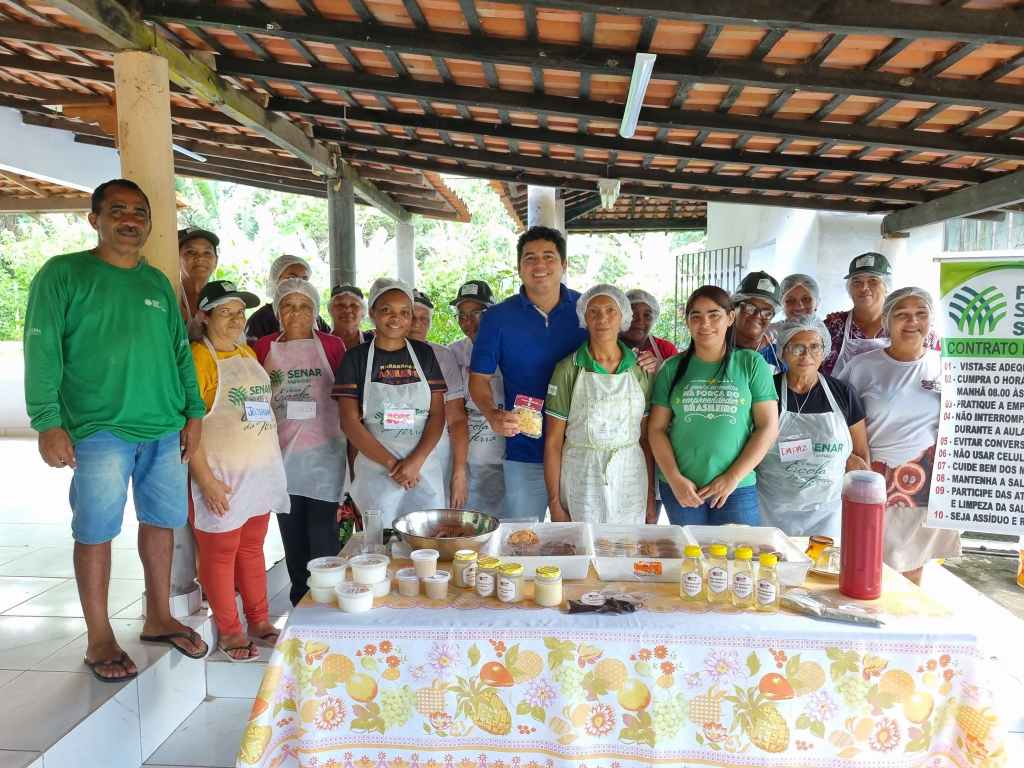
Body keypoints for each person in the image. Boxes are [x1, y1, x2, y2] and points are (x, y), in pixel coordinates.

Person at [23, 178, 209, 681]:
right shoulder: (62, 275)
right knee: (96, 530)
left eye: (140, 213)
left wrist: (194, 414)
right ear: (95, 219)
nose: (131, 220)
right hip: (98, 428)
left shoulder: (156, 283)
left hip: (164, 427)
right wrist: (47, 422)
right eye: (119, 210)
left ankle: (158, 615)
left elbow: (178, 353)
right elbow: (42, 351)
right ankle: (99, 635)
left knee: (161, 522)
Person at [188, 280, 289, 661]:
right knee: (220, 554)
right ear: (205, 316)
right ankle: (231, 631)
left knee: (251, 550)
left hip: (258, 476)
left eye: (239, 313)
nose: (234, 320)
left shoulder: (246, 352)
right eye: (225, 312)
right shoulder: (200, 357)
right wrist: (206, 481)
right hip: (221, 477)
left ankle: (260, 622)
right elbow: (190, 425)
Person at [838, 287, 960, 584]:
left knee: (912, 569)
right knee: (867, 563)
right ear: (887, 320)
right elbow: (835, 419)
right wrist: (847, 458)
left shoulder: (947, 366)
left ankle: (906, 628)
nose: (912, 322)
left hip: (925, 484)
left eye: (921, 314)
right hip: (872, 480)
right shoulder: (862, 367)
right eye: (902, 314)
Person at [469, 226, 588, 521]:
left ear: (564, 264)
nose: (539, 265)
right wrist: (492, 413)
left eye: (549, 257)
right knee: (522, 539)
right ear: (519, 267)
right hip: (525, 448)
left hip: (580, 449)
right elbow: (478, 379)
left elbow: (613, 357)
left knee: (580, 539)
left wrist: (644, 360)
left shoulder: (588, 310)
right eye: (530, 258)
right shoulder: (497, 318)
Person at [648, 286, 779, 526]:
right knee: (689, 560)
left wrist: (732, 477)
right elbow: (656, 429)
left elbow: (768, 426)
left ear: (730, 318)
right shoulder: (672, 368)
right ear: (687, 322)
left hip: (736, 489)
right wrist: (675, 479)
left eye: (714, 314)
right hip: (683, 490)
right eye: (695, 316)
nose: (704, 323)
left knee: (740, 560)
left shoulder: (750, 363)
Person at [254, 278, 346, 606]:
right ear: (278, 311)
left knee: (323, 537)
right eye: (288, 306)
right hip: (280, 455)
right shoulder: (264, 346)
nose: (296, 313)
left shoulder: (332, 345)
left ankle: (327, 606)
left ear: (315, 311)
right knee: (292, 539)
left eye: (304, 306)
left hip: (325, 454)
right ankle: (299, 606)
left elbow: (347, 398)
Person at [337, 278, 448, 527]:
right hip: (377, 469)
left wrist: (415, 461)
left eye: (404, 312)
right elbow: (349, 422)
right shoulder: (355, 358)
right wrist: (393, 465)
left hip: (422, 469)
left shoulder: (424, 354)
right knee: (381, 545)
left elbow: (437, 415)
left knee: (427, 542)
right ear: (372, 313)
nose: (396, 318)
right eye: (387, 310)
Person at [544, 285, 655, 525]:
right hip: (582, 474)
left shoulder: (640, 369)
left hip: (630, 476)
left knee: (626, 550)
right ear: (584, 318)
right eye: (593, 311)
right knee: (584, 550)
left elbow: (646, 439)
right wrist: (554, 503)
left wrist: (649, 501)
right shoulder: (568, 369)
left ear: (623, 316)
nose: (602, 318)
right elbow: (553, 442)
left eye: (610, 311)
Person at [756, 316, 871, 539]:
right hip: (771, 508)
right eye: (797, 347)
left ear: (824, 350)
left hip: (827, 512)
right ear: (783, 351)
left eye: (814, 347)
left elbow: (860, 452)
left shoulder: (842, 394)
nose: (806, 354)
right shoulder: (767, 392)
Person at [822, 252, 940, 377]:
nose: (864, 288)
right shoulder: (834, 326)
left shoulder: (916, 330)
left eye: (873, 281)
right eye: (857, 282)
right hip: (837, 396)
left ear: (886, 286)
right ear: (849, 288)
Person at [448, 280, 505, 513]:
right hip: (468, 449)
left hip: (504, 449)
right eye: (462, 315)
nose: (467, 322)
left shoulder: (509, 347)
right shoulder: (455, 352)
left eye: (476, 314)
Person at [410, 289, 469, 508]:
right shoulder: (374, 353)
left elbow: (456, 419)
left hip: (438, 456)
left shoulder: (443, 356)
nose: (417, 323)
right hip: (391, 453)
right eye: (412, 317)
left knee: (435, 526)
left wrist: (459, 473)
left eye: (424, 319)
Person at [245, 254, 329, 344]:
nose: (298, 283)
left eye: (304, 279)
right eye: (291, 278)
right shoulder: (259, 320)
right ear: (275, 280)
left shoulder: (315, 318)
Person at [732, 271, 784, 373]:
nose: (757, 316)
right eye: (750, 307)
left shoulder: (778, 358)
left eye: (766, 312)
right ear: (734, 308)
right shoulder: (716, 348)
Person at [178, 226, 219, 341]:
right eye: (191, 252)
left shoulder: (223, 300)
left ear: (216, 261)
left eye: (207, 253)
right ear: (176, 258)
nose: (200, 257)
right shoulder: (168, 298)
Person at [620, 288, 677, 372]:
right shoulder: (606, 347)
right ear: (620, 316)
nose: (640, 320)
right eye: (632, 314)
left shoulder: (666, 349)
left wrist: (662, 370)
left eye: (647, 315)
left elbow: (679, 382)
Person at [329, 284, 374, 349]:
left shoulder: (374, 342)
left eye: (354, 305)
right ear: (330, 310)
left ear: (363, 312)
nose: (347, 310)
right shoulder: (320, 343)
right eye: (340, 305)